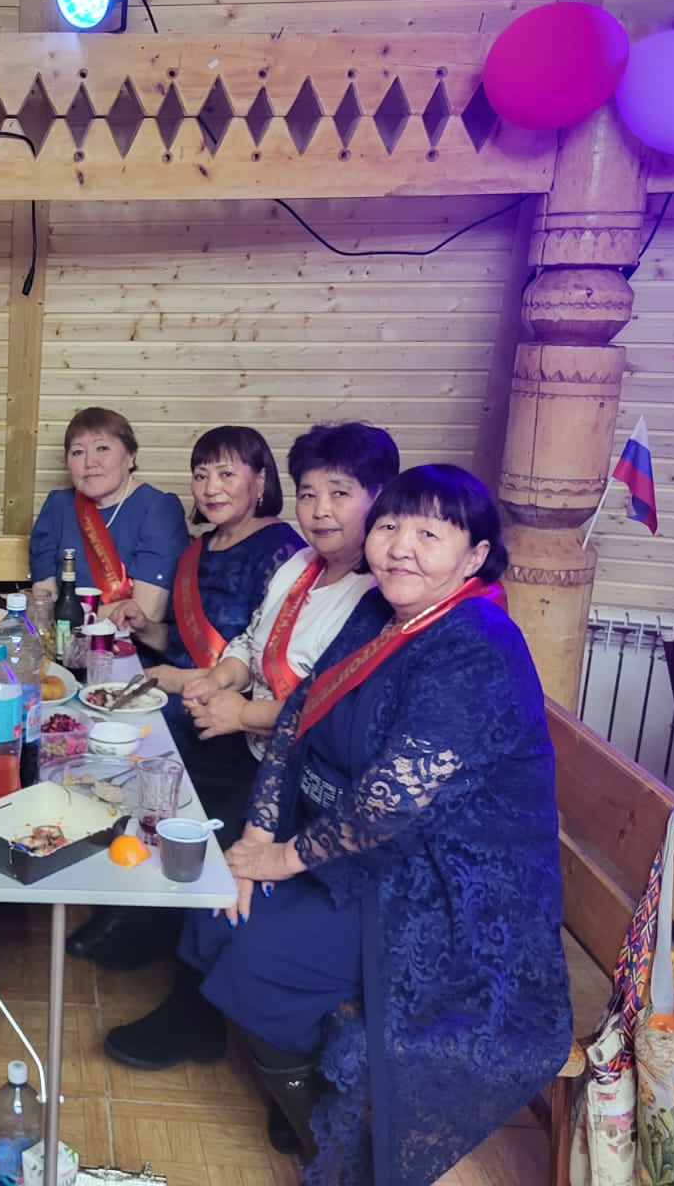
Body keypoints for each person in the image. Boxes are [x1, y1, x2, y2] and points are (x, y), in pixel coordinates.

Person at [176, 465, 570, 1181]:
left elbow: (393, 803)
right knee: (212, 911)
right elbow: (296, 718)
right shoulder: (377, 611)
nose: (400, 547)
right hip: (353, 849)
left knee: (262, 961)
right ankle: (297, 1088)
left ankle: (332, 1144)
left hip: (444, 884)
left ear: (475, 556)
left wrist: (279, 859)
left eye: (429, 533)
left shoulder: (475, 645)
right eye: (390, 526)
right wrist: (256, 836)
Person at [102, 422, 398, 1083]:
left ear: (379, 498)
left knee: (207, 820)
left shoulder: (377, 595)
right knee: (167, 779)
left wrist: (240, 713)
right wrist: (221, 681)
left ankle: (194, 1012)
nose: (320, 510)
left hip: (307, 779)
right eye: (310, 493)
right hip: (263, 752)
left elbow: (328, 707)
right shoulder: (302, 566)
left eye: (339, 494)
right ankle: (154, 940)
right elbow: (249, 640)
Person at [67, 424, 302, 971]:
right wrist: (144, 625)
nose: (211, 487)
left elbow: (267, 660)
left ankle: (143, 922)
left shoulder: (282, 551)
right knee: (100, 744)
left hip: (231, 720)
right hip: (177, 694)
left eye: (226, 473)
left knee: (136, 761)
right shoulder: (199, 549)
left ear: (260, 480)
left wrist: (177, 680)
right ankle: (125, 901)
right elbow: (172, 639)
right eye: (201, 475)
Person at [29, 407, 188, 626]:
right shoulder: (58, 506)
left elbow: (145, 613)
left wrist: (70, 617)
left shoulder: (159, 509)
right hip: (64, 638)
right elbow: (44, 601)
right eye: (78, 452)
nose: (89, 462)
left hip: (132, 643)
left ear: (130, 456)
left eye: (102, 448)